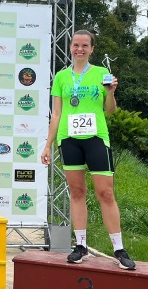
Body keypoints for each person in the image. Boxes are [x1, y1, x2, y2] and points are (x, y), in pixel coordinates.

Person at [41, 30, 135, 270]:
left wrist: (111, 93)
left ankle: (119, 248)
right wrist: (48, 144)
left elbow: (110, 110)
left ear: (92, 49)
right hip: (69, 138)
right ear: (70, 47)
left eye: (84, 45)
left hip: (95, 138)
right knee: (77, 192)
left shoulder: (102, 74)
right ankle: (80, 245)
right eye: (75, 45)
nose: (79, 49)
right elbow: (57, 114)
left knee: (106, 193)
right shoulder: (61, 77)